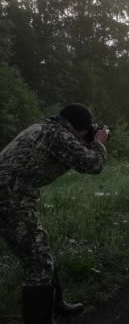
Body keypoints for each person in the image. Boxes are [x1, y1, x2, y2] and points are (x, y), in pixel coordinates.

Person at [0, 103, 109, 324]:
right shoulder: (58, 136)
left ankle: (58, 306)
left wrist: (88, 140)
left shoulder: (45, 128)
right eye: (85, 130)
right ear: (79, 128)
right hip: (9, 195)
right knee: (38, 261)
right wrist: (98, 143)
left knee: (41, 247)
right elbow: (93, 164)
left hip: (10, 192)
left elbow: (71, 150)